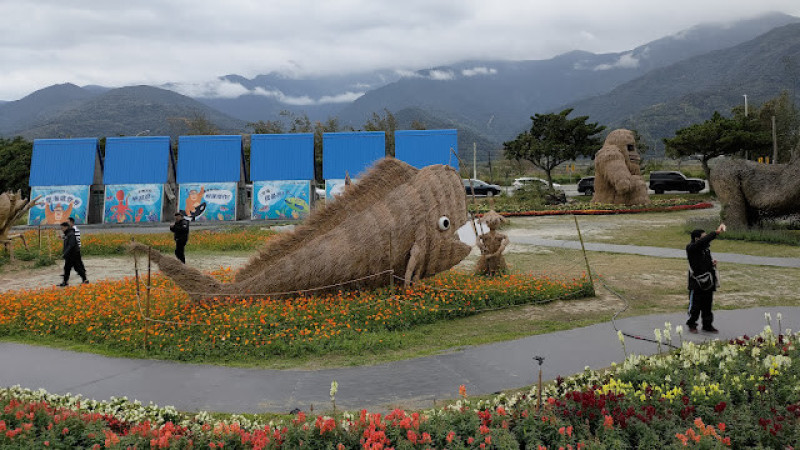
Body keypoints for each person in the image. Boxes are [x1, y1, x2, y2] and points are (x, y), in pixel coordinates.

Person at [686, 223, 726, 333]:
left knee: (707, 305)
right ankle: (692, 324)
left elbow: (703, 261)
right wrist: (716, 232)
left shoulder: (706, 249)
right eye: (704, 236)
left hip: (708, 281)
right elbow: (702, 242)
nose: (706, 238)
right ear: (697, 239)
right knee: (695, 306)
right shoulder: (691, 248)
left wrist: (712, 263)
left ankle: (707, 325)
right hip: (696, 282)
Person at [58, 221, 87, 286]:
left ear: (66, 227)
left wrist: (65, 253)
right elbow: (67, 241)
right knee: (68, 268)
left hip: (73, 254)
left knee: (76, 268)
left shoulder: (71, 234)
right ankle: (65, 282)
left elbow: (71, 245)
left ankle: (84, 280)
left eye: (62, 228)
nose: (62, 230)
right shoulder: (68, 234)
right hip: (70, 254)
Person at [67, 217, 88, 284]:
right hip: (74, 249)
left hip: (74, 249)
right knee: (78, 263)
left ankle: (84, 278)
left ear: (71, 222)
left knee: (76, 265)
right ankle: (83, 274)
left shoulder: (75, 230)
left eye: (68, 222)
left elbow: (75, 240)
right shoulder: (71, 230)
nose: (67, 223)